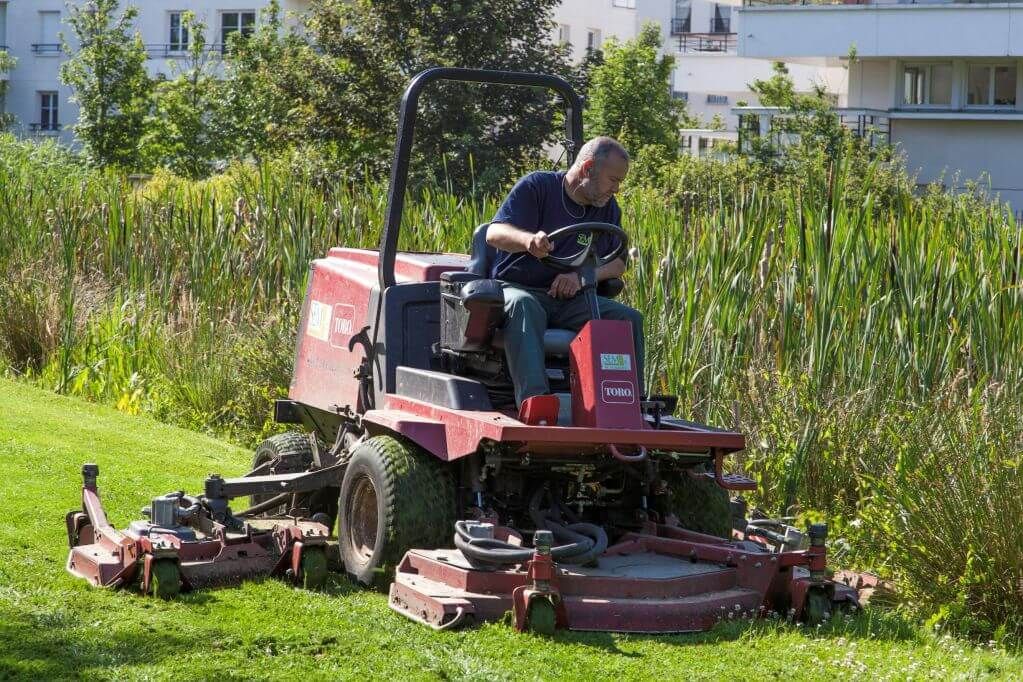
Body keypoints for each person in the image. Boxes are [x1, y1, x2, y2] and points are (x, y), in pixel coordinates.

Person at [486, 136, 645, 407]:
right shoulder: (538, 187)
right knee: (524, 306)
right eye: (613, 180)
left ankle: (628, 405)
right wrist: (528, 241)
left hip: (571, 299)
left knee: (627, 318)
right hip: (520, 289)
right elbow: (494, 233)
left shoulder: (607, 209)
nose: (616, 189)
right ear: (587, 168)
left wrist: (582, 277)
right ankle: (535, 403)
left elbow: (618, 263)